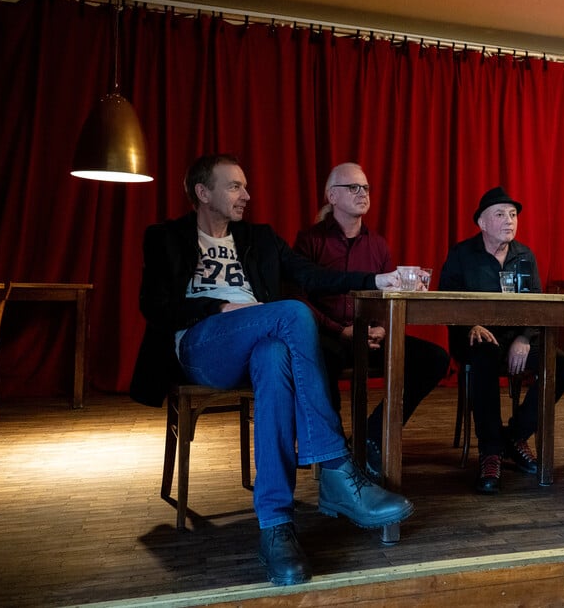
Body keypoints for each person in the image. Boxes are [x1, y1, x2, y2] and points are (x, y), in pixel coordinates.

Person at [129, 154, 414, 587]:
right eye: (235, 186)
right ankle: (336, 466)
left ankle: (276, 527)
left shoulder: (258, 238)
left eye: (245, 185)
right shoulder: (166, 237)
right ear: (203, 194)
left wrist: (377, 280)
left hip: (259, 340)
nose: (246, 195)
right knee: (293, 315)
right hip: (201, 345)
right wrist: (217, 305)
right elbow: (155, 306)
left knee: (275, 356)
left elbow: (312, 275)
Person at [293, 162, 451, 478]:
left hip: (371, 333)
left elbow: (388, 296)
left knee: (434, 358)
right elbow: (299, 297)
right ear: (331, 196)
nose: (362, 193)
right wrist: (341, 330)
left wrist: (383, 327)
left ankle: (370, 437)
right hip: (330, 334)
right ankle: (332, 454)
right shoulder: (311, 240)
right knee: (321, 357)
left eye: (365, 187)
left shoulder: (377, 244)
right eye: (353, 187)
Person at [439, 186, 564, 494]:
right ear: (482, 223)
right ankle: (489, 451)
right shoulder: (462, 254)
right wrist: (469, 324)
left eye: (512, 214)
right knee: (484, 356)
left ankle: (513, 436)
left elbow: (537, 305)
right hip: (474, 335)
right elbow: (445, 301)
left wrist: (525, 337)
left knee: (562, 366)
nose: (509, 220)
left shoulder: (524, 255)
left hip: (517, 337)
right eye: (500, 214)